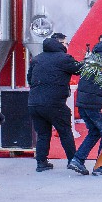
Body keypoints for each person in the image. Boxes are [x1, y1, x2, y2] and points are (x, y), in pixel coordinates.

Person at [28, 32, 83, 173]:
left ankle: (41, 162)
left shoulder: (37, 59)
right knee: (65, 131)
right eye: (66, 43)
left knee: (42, 133)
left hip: (34, 102)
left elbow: (29, 79)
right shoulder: (64, 58)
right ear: (60, 43)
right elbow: (79, 69)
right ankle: (73, 160)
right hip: (54, 103)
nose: (67, 45)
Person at [73, 33, 102, 176]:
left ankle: (78, 159)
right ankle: (101, 165)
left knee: (95, 131)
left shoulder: (91, 57)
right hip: (96, 102)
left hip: (83, 101)